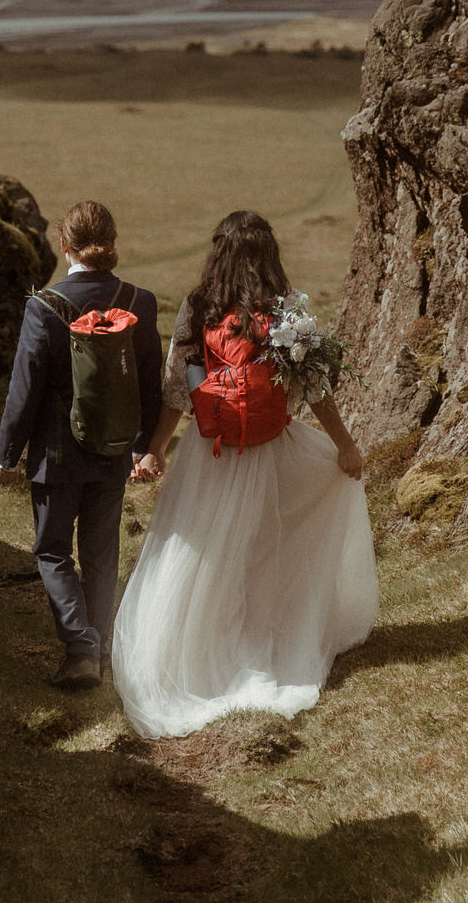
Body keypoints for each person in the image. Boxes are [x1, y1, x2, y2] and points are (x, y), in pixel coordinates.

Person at [112, 209, 377, 739]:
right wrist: (344, 447)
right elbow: (315, 387)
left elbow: (177, 391)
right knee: (262, 548)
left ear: (218, 253)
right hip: (269, 450)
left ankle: (197, 650)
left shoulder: (197, 305)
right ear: (270, 255)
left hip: (210, 456)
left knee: (202, 553)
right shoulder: (285, 309)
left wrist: (156, 449)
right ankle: (259, 645)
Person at [0, 200, 162, 690]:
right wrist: (140, 446)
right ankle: (99, 651)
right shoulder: (140, 302)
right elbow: (149, 383)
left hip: (57, 457)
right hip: (113, 451)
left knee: (53, 552)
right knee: (102, 556)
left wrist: (6, 455)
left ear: (65, 247)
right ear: (111, 243)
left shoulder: (43, 306)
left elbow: (26, 388)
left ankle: (81, 650)